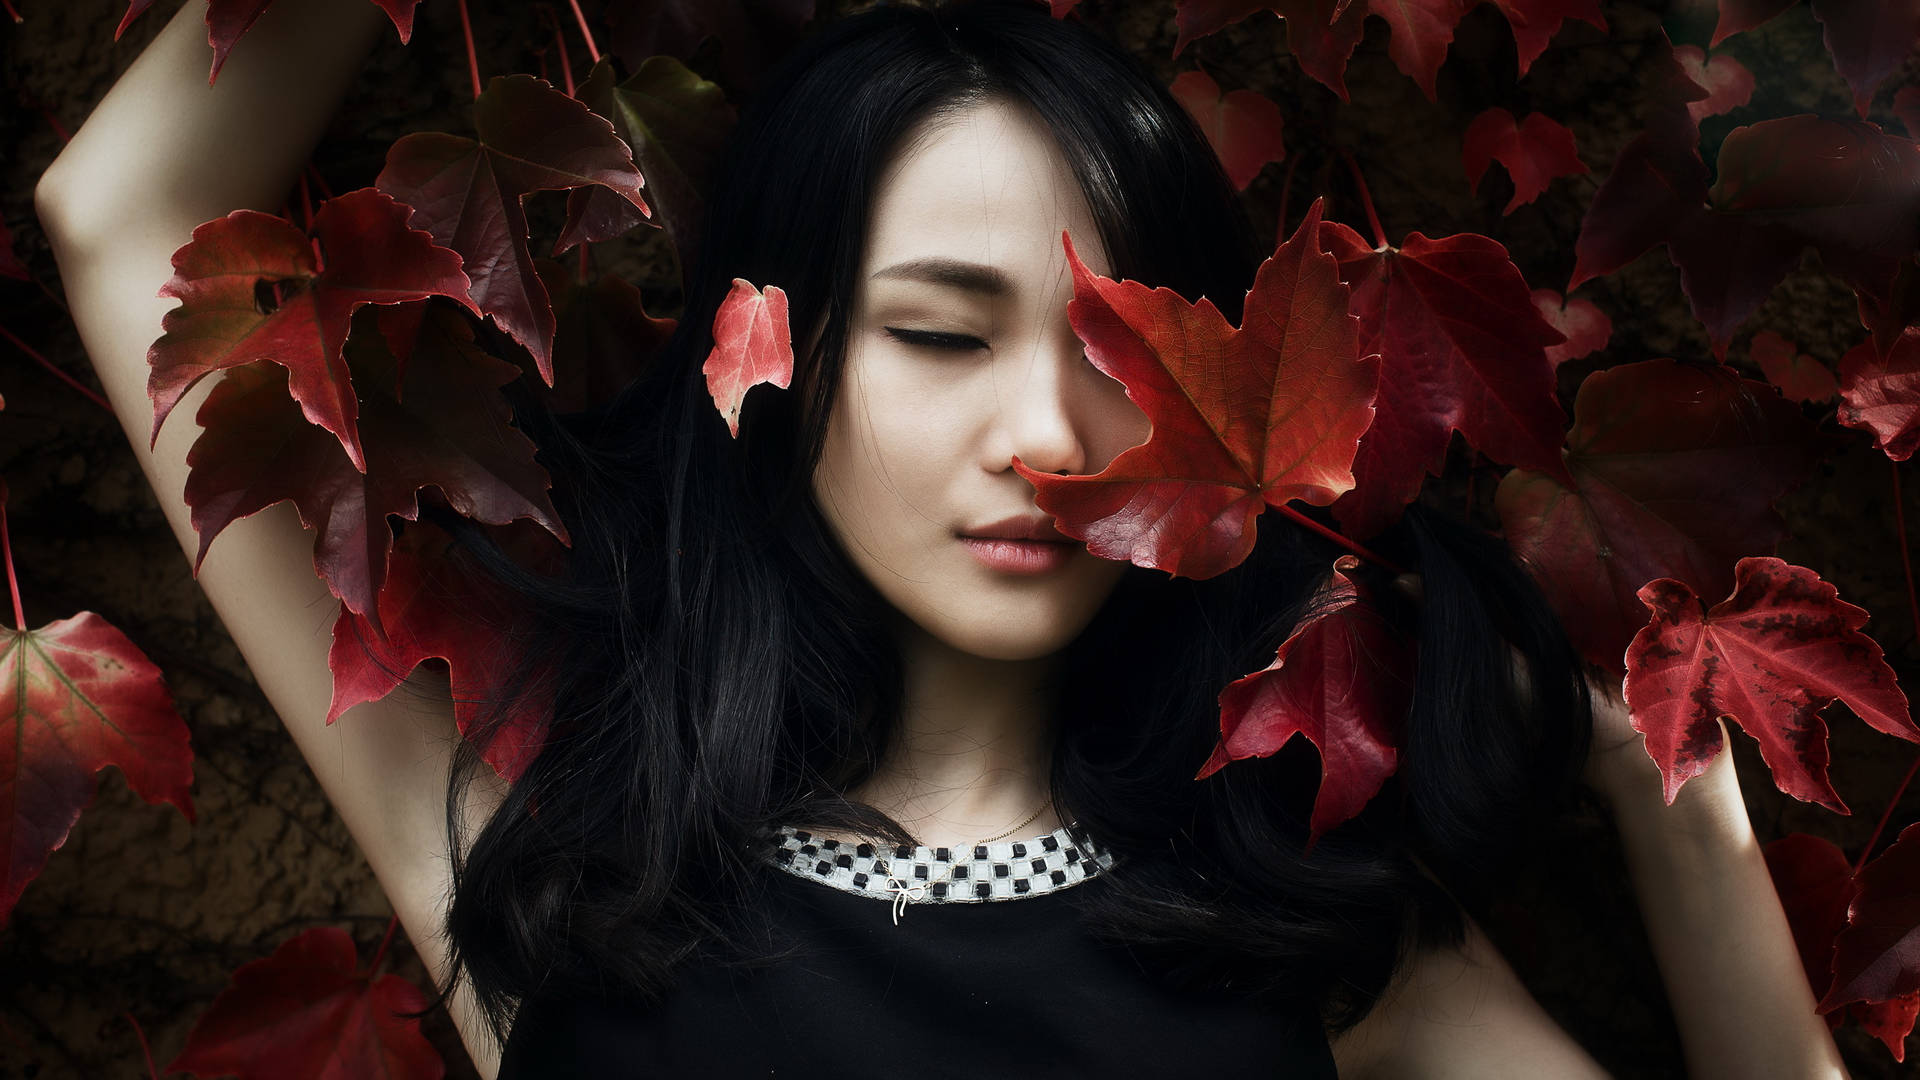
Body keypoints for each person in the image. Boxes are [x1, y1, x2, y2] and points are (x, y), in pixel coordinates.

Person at [33, 0, 1848, 1076]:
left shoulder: (1285, 920)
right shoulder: (553, 844)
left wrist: (1669, 789)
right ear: (780, 357)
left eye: (1121, 348)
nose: (1052, 437)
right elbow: (122, 216)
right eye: (941, 330)